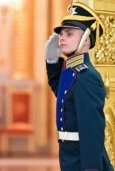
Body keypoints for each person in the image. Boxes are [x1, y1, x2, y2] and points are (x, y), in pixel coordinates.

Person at [45, 2, 113, 171]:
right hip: (70, 155)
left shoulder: (87, 77)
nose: (61, 37)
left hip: (82, 160)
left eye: (69, 33)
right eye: (61, 34)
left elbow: (91, 133)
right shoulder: (74, 71)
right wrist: (52, 61)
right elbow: (62, 92)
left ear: (86, 39)